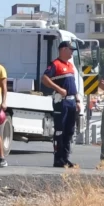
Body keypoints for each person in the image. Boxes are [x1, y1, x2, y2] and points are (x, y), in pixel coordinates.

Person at [41, 40, 80, 168]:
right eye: (70, 50)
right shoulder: (55, 64)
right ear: (63, 49)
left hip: (71, 101)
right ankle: (58, 159)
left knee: (69, 131)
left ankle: (65, 158)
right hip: (61, 101)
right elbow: (45, 78)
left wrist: (77, 100)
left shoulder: (70, 65)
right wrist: (58, 89)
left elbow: (73, 85)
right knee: (60, 130)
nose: (72, 52)